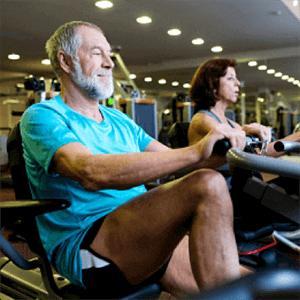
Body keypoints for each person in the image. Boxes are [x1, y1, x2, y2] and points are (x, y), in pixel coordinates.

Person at [20, 22, 251, 298]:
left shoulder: (119, 119)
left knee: (254, 286)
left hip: (140, 229)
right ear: (65, 61)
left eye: (109, 55)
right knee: (208, 185)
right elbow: (89, 171)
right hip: (89, 245)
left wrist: (226, 146)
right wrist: (195, 152)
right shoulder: (43, 115)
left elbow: (175, 160)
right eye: (97, 53)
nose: (109, 63)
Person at [188, 57, 300, 210]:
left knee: (294, 182)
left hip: (246, 187)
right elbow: (236, 149)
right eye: (230, 78)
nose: (238, 83)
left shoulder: (231, 123)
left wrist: (296, 138)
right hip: (226, 193)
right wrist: (244, 132)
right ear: (212, 85)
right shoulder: (202, 118)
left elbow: (257, 156)